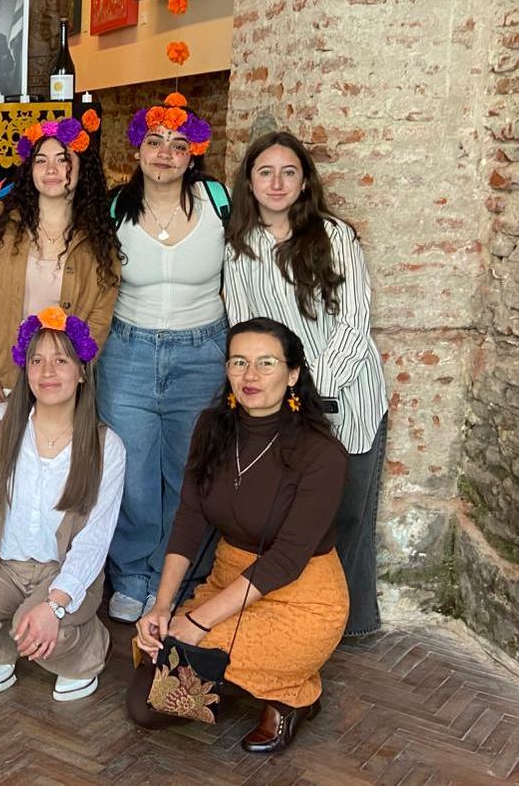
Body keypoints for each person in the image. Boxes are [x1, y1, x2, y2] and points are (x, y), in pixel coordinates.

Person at [126, 318, 349, 753]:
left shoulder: (322, 453)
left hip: (302, 597)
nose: (251, 376)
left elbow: (285, 560)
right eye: (239, 362)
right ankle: (244, 677)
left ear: (293, 374)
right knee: (146, 706)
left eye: (266, 363)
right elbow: (190, 517)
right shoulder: (212, 427)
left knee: (189, 647)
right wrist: (163, 605)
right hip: (229, 582)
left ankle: (294, 695)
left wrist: (193, 623)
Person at [223, 131, 388, 637]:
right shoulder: (240, 248)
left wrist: (314, 389)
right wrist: (270, 389)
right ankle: (302, 625)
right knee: (295, 520)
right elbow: (245, 325)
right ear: (249, 182)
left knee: (348, 521)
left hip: (349, 400)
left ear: (304, 181)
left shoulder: (335, 237)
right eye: (265, 172)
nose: (277, 182)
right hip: (281, 402)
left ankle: (355, 626)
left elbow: (355, 321)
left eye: (288, 172)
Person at [0, 307, 126, 703]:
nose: (47, 372)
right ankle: (2, 653)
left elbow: (95, 539)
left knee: (42, 623)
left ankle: (83, 656)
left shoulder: (107, 446)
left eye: (60, 360)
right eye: (37, 361)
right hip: (2, 566)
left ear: (82, 371)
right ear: (25, 370)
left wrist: (55, 604)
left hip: (62, 571)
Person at [99, 94, 227, 625]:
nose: (165, 154)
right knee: (131, 473)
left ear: (193, 154)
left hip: (201, 354)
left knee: (188, 472)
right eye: (154, 142)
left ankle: (180, 580)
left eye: (178, 145)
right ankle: (132, 575)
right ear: (138, 151)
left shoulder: (219, 201)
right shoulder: (114, 208)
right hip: (128, 352)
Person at [0, 114, 119, 435]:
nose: (52, 170)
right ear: (30, 170)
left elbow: (101, 315)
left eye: (63, 159)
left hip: (58, 381)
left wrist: (73, 372)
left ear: (81, 168)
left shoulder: (98, 236)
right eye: (41, 161)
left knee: (51, 474)